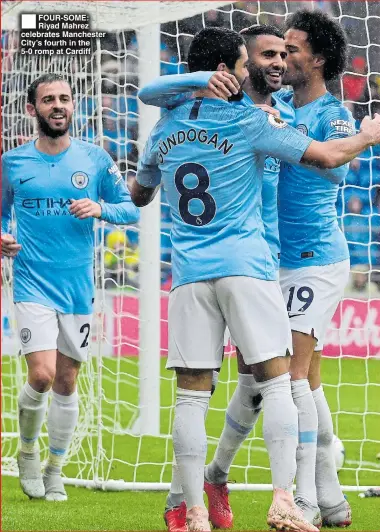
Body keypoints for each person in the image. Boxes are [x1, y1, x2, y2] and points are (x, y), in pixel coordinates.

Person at [132, 26, 380, 532]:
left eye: (285, 52)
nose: (276, 62)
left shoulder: (166, 127)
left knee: (198, 394)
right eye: (262, 56)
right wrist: (370, 136)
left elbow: (140, 191)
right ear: (232, 71)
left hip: (196, 272)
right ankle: (283, 498)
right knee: (279, 382)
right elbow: (329, 159)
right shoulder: (253, 120)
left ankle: (200, 507)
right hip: (252, 267)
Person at [1, 74, 140, 502]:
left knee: (66, 379)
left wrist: (100, 207)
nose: (57, 105)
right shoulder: (12, 163)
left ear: (73, 106)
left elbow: (131, 208)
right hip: (31, 282)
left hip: (78, 286)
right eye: (48, 99)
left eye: (64, 98)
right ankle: (26, 451)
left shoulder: (95, 159)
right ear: (32, 109)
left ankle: (55, 467)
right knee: (41, 375)